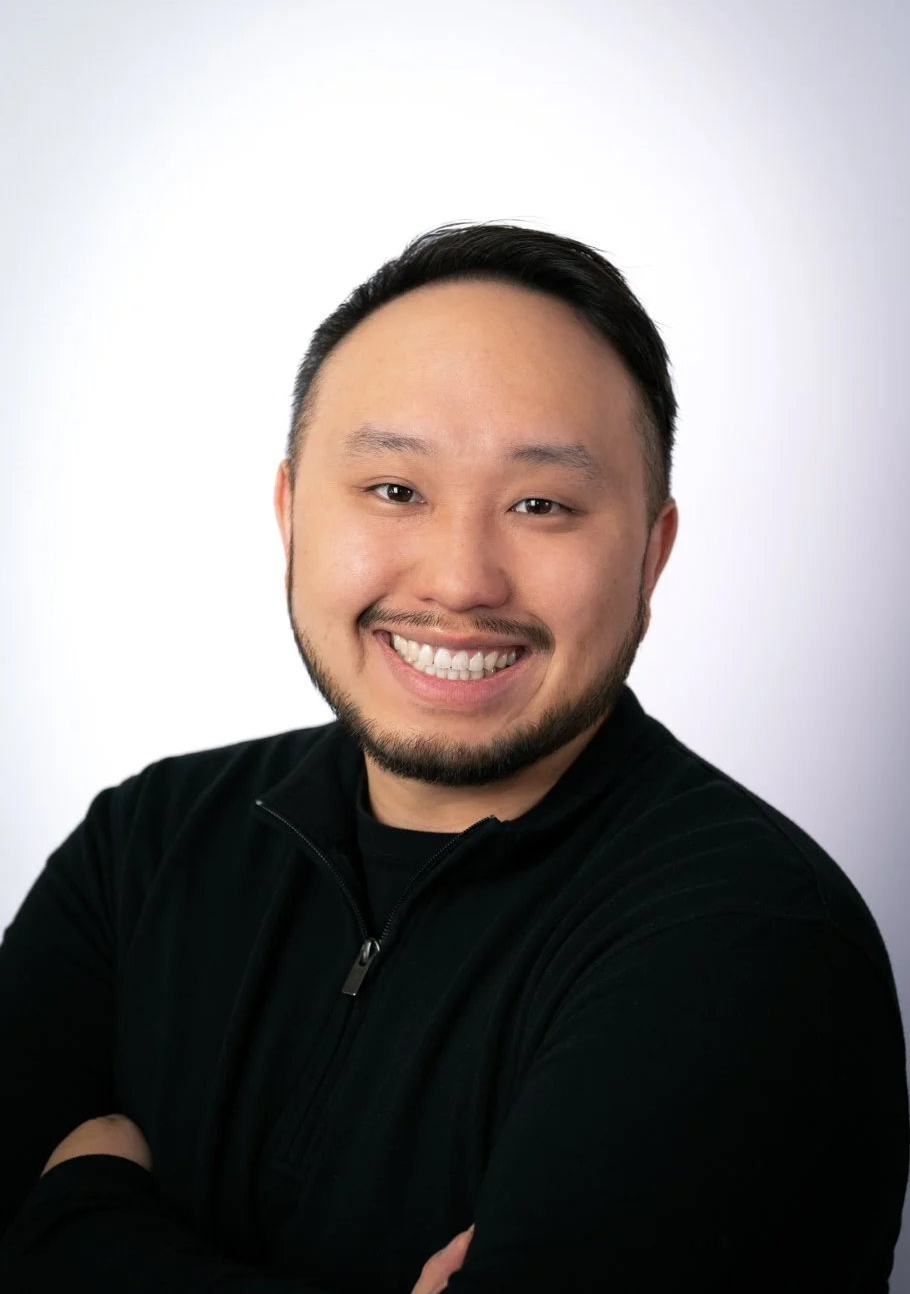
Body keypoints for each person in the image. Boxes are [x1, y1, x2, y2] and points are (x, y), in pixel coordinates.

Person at [0, 220, 906, 1294]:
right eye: (394, 490)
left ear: (651, 556)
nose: (461, 578)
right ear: (290, 514)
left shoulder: (748, 940)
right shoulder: (149, 844)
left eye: (541, 505)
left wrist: (74, 1228)